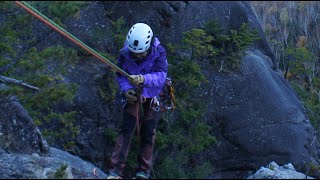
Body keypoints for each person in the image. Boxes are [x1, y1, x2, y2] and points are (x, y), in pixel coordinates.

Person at [106, 23, 168, 179]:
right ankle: (115, 172)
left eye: (140, 54)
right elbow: (121, 74)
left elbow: (161, 76)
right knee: (126, 129)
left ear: (148, 47)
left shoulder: (159, 52)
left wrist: (143, 79)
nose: (136, 56)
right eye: (134, 53)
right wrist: (127, 90)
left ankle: (143, 172)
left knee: (148, 131)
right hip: (134, 93)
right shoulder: (125, 53)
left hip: (152, 93)